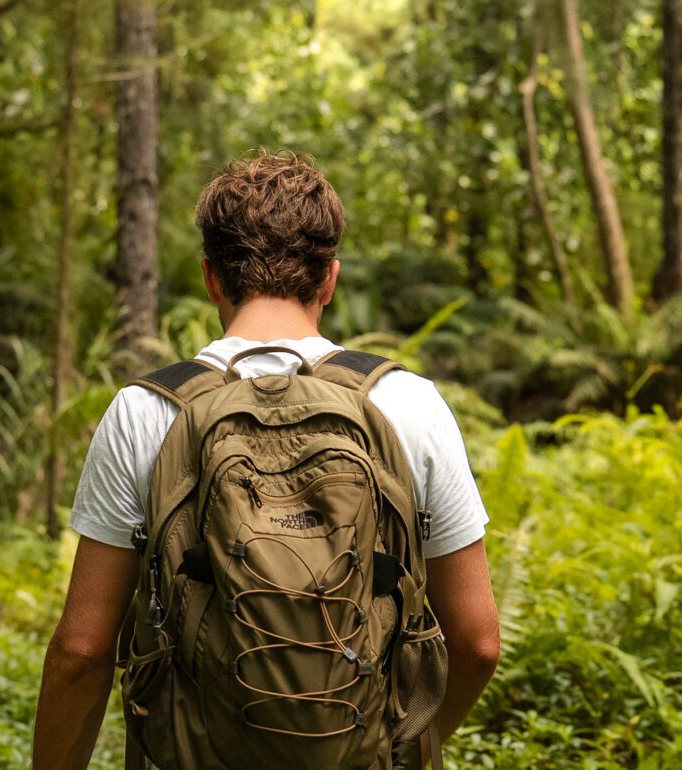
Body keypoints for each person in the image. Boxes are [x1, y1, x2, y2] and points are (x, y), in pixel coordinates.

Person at [32, 149, 498, 770]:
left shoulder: (145, 412)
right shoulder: (409, 404)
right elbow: (477, 642)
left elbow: (83, 652)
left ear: (211, 278)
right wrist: (405, 740)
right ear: (329, 278)